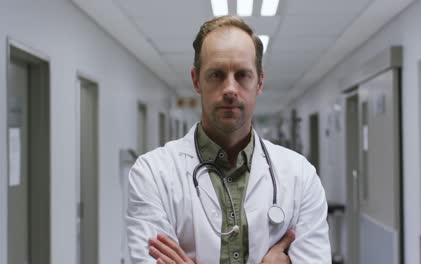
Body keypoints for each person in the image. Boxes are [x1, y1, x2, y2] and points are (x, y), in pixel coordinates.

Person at [127, 15, 331, 264]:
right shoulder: (152, 174)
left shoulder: (301, 176)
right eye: (216, 74)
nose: (230, 89)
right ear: (196, 80)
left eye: (243, 75)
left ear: (260, 82)